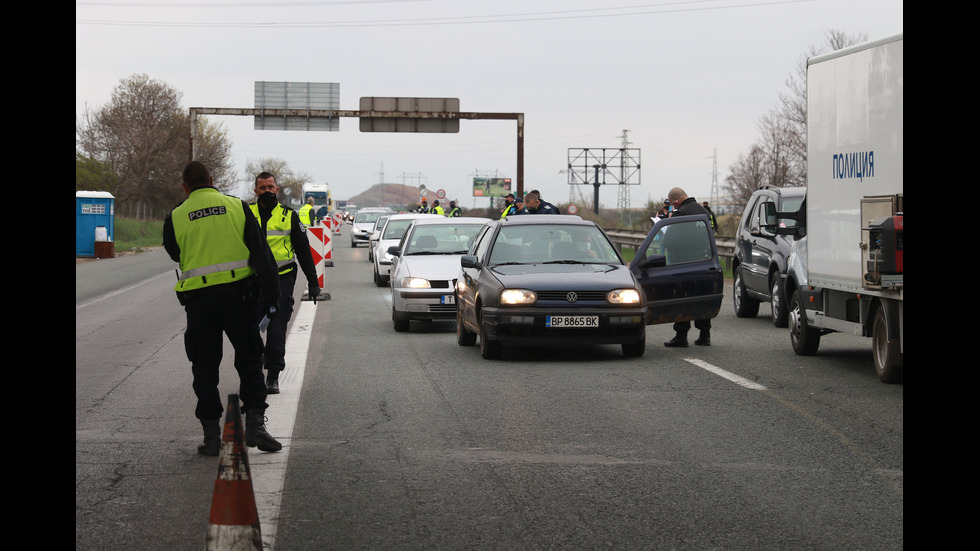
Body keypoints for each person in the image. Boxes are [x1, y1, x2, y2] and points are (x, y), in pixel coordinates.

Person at [162, 161, 282, 455]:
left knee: (204, 366)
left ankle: (212, 436)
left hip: (199, 302)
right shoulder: (236, 206)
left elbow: (175, 253)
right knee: (250, 358)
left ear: (185, 186)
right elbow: (260, 252)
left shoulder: (175, 216)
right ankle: (255, 424)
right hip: (239, 298)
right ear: (213, 180)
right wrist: (272, 296)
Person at [250, 172, 322, 394]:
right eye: (262, 188)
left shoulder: (288, 216)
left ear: (277, 190)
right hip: (251, 281)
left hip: (282, 279)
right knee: (248, 329)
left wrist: (313, 282)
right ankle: (255, 367)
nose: (267, 191)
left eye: (271, 187)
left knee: (276, 327)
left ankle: (273, 374)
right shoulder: (245, 213)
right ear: (256, 191)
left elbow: (303, 251)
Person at [663, 187, 714, 347]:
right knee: (702, 297)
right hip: (704, 261)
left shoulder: (681, 213)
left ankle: (681, 335)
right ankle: (705, 335)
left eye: (673, 205)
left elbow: (670, 241)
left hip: (683, 263)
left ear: (676, 202)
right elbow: (711, 233)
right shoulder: (704, 212)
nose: (673, 207)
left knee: (682, 298)